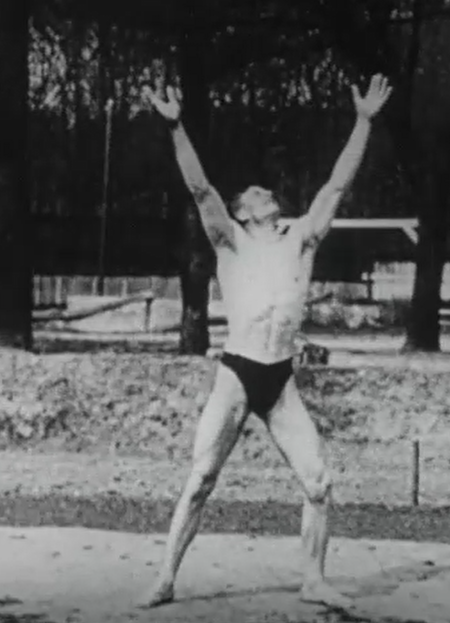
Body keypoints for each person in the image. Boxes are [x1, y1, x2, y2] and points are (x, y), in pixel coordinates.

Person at [139, 74, 393, 611]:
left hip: (279, 378)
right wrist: (176, 126)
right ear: (244, 212)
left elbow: (337, 186)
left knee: (319, 482)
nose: (266, 192)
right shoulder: (229, 239)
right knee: (203, 476)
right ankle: (165, 577)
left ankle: (313, 580)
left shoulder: (301, 235)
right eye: (256, 193)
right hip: (236, 373)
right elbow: (201, 188)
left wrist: (364, 122)